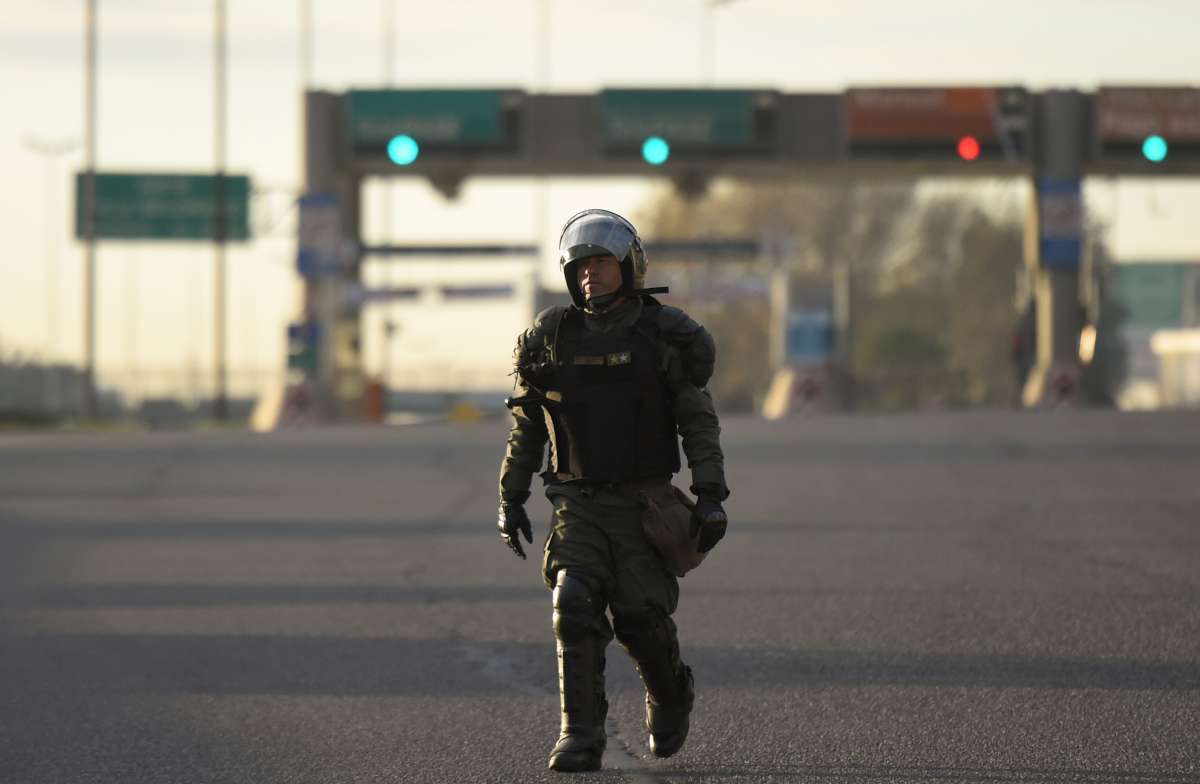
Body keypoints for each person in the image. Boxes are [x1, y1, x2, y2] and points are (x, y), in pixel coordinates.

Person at [496, 209, 730, 772]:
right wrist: (510, 496)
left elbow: (697, 420)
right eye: (580, 267)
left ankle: (671, 693)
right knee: (572, 600)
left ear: (628, 266)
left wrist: (711, 495)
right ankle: (580, 733)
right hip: (576, 502)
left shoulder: (663, 336)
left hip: (643, 503)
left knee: (639, 617)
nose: (589, 276)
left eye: (601, 263)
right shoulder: (551, 337)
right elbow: (529, 423)